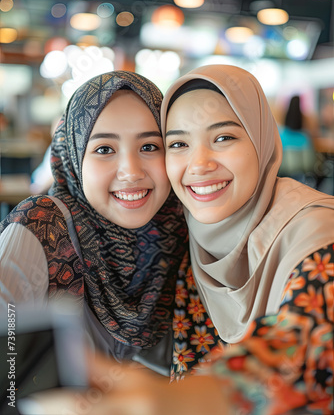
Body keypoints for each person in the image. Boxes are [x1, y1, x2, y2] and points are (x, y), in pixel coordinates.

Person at [20, 65, 334, 415]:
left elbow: (310, 336)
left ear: (260, 138)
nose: (199, 164)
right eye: (178, 143)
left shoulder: (318, 229)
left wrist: (197, 398)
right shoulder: (183, 236)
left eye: (224, 138)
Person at [0, 70, 188, 372]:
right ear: (75, 158)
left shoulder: (181, 231)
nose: (131, 171)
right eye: (104, 149)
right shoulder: (42, 227)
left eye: (150, 146)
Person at [278, 95, 316, 183]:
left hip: (284, 174)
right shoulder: (305, 137)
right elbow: (310, 162)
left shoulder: (281, 135)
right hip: (302, 176)